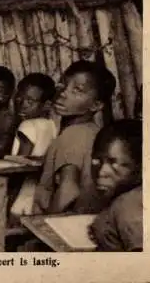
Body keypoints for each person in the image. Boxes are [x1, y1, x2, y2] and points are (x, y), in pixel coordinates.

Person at [32, 60, 117, 215]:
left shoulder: (72, 135)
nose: (64, 93)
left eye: (77, 90)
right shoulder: (94, 132)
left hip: (65, 225)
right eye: (63, 84)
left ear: (96, 105)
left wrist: (46, 226)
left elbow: (68, 191)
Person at [87, 119, 142, 251]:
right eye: (97, 161)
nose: (102, 172)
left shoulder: (128, 206)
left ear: (139, 168)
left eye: (113, 163)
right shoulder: (124, 202)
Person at [9, 73, 58, 217]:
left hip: (21, 193)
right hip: (37, 192)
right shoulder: (51, 125)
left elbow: (21, 164)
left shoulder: (27, 125)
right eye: (19, 97)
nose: (22, 104)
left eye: (30, 101)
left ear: (47, 105)